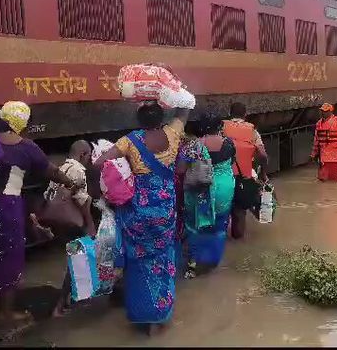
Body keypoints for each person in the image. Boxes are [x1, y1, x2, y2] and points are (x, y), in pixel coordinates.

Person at [0, 101, 79, 331]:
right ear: (21, 123)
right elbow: (51, 171)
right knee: (8, 258)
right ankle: (5, 313)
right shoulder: (25, 146)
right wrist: (71, 182)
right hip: (6, 208)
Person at [93, 101, 191, 335]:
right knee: (162, 258)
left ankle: (142, 315)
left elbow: (99, 162)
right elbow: (186, 109)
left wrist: (127, 165)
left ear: (139, 121)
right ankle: (160, 314)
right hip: (165, 210)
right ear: (162, 118)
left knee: (138, 262)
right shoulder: (173, 132)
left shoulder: (130, 140)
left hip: (138, 212)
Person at [178, 113, 236, 279]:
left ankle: (193, 263)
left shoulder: (192, 146)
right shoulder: (229, 143)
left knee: (194, 225)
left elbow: (181, 170)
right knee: (218, 224)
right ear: (220, 127)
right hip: (223, 190)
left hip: (198, 191)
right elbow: (231, 163)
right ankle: (211, 261)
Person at [50, 140, 96, 318]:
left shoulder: (62, 167)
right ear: (83, 154)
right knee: (76, 261)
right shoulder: (78, 171)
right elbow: (82, 201)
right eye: (89, 156)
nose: (89, 160)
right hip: (74, 224)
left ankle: (71, 300)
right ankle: (59, 306)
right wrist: (90, 225)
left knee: (75, 260)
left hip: (61, 222)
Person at [222, 102, 268, 240]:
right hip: (243, 177)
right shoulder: (252, 131)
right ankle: (238, 240)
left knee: (222, 211)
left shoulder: (222, 129)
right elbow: (263, 155)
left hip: (224, 176)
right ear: (245, 115)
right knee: (240, 212)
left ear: (230, 114)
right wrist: (263, 173)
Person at [310, 103, 337, 181]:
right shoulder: (319, 124)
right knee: (322, 179)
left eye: (325, 111)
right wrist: (314, 153)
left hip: (335, 157)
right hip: (323, 157)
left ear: (330, 111)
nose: (323, 113)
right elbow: (316, 140)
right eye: (322, 111)